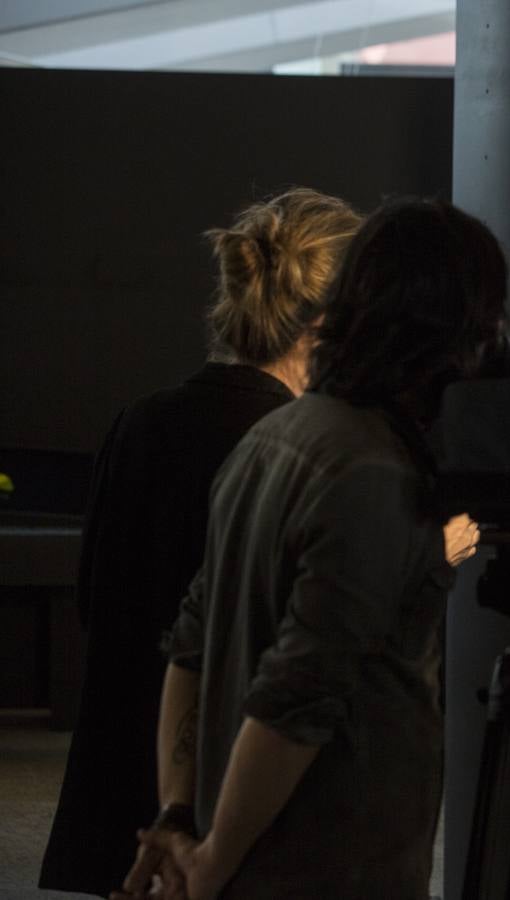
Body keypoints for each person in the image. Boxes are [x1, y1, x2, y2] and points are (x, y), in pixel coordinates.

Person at [115, 198, 503, 899]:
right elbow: (297, 699)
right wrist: (212, 863)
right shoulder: (377, 472)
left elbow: (191, 645)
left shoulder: (277, 435)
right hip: (330, 866)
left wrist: (180, 816)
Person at [38, 187, 361, 896]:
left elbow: (95, 598)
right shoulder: (299, 449)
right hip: (229, 801)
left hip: (125, 784)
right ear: (328, 322)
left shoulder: (141, 422)